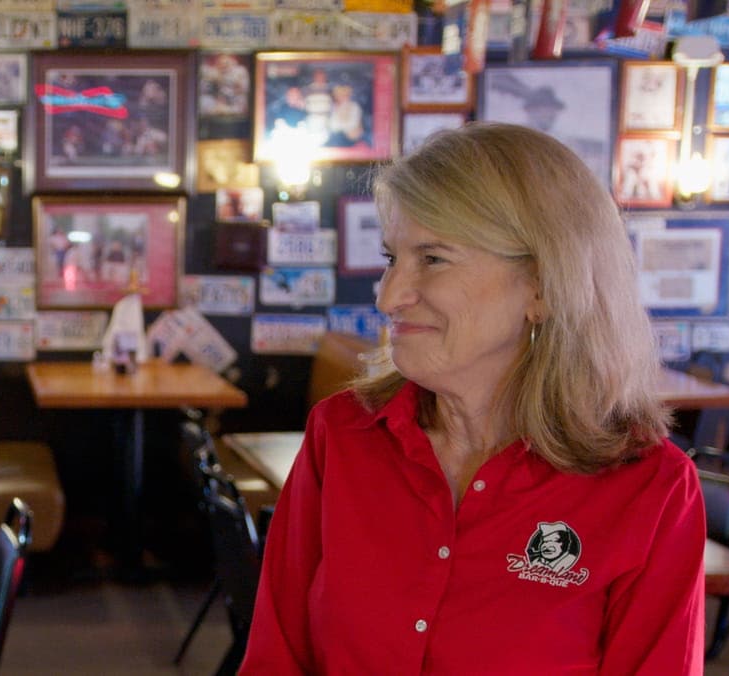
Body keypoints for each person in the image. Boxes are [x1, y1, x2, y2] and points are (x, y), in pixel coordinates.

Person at [241, 123, 703, 673]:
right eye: (392, 259)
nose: (389, 296)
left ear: (542, 286)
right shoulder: (342, 434)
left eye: (433, 259)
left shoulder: (650, 489)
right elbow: (275, 657)